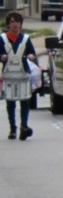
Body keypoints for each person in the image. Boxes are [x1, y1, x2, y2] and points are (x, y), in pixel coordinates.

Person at [2, 12, 36, 140]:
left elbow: (32, 52)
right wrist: (2, 57)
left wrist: (31, 56)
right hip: (9, 74)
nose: (14, 24)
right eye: (12, 22)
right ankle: (13, 128)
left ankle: (24, 126)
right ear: (8, 24)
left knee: (25, 101)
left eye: (17, 21)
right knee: (10, 102)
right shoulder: (3, 39)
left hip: (23, 73)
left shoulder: (26, 39)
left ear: (20, 24)